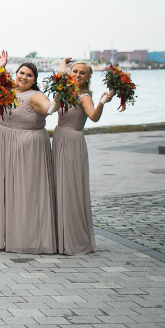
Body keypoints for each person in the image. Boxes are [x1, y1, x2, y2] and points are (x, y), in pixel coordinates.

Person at [0, 57, 57, 254]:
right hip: (5, 143)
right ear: (16, 74)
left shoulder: (35, 96)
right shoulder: (8, 90)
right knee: (8, 188)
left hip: (28, 146)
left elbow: (48, 108)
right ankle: (7, 236)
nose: (24, 77)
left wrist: (55, 102)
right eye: (21, 73)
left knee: (27, 190)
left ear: (34, 79)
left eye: (29, 75)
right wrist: (1, 66)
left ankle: (29, 238)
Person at [54, 59, 113, 255]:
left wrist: (103, 101)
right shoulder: (64, 90)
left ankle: (74, 237)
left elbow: (94, 117)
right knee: (58, 185)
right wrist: (63, 63)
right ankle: (58, 235)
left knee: (70, 187)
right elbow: (63, 75)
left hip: (72, 140)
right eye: (75, 72)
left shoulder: (84, 97)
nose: (77, 75)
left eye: (82, 73)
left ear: (88, 78)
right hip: (59, 137)